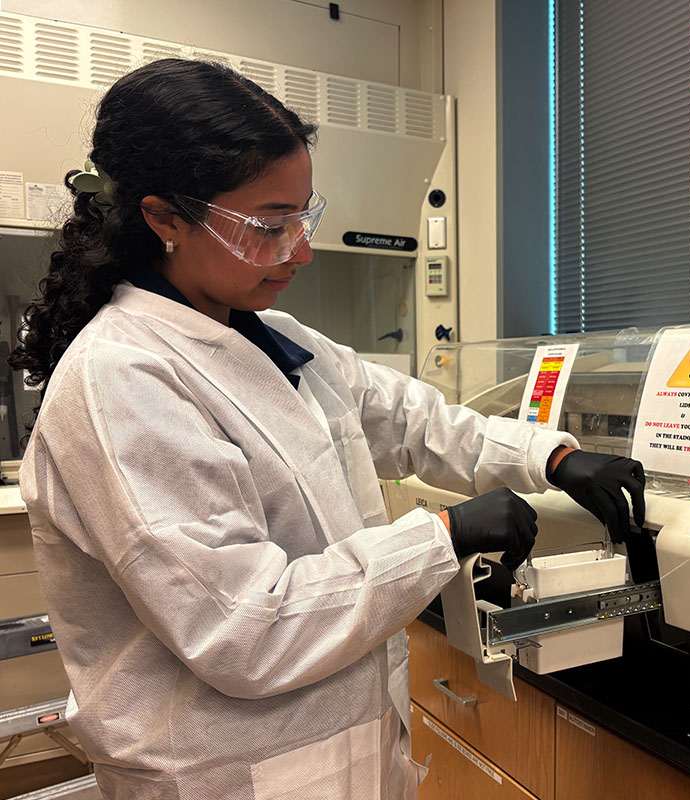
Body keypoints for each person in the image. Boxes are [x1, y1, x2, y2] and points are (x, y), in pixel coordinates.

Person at [10, 58, 646, 800]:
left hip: (334, 749)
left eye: (302, 217)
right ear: (164, 218)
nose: (300, 251)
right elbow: (245, 627)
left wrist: (552, 455)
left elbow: (410, 418)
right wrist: (441, 536)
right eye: (268, 227)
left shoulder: (268, 336)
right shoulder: (122, 379)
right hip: (227, 773)